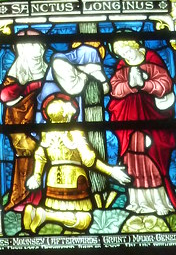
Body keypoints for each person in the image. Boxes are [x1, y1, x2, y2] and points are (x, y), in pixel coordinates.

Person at [23, 96, 130, 234]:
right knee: (85, 220)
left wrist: (37, 176)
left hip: (53, 178)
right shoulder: (74, 132)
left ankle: (40, 214)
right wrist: (111, 171)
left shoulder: (47, 134)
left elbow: (40, 156)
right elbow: (88, 160)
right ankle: (45, 215)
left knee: (59, 209)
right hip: (74, 178)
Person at [108, 39, 176, 216]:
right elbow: (115, 88)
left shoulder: (151, 59)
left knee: (152, 157)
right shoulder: (122, 66)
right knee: (131, 158)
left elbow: (165, 84)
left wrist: (144, 84)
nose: (126, 56)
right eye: (122, 55)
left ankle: (160, 202)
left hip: (152, 117)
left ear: (135, 46)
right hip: (128, 118)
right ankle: (136, 202)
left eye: (127, 51)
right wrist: (129, 85)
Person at [0, 37, 47, 211]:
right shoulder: (17, 71)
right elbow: (5, 96)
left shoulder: (47, 70)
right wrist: (30, 87)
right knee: (27, 152)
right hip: (18, 121)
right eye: (33, 46)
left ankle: (42, 197)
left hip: (42, 119)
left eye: (40, 47)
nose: (38, 51)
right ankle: (21, 199)